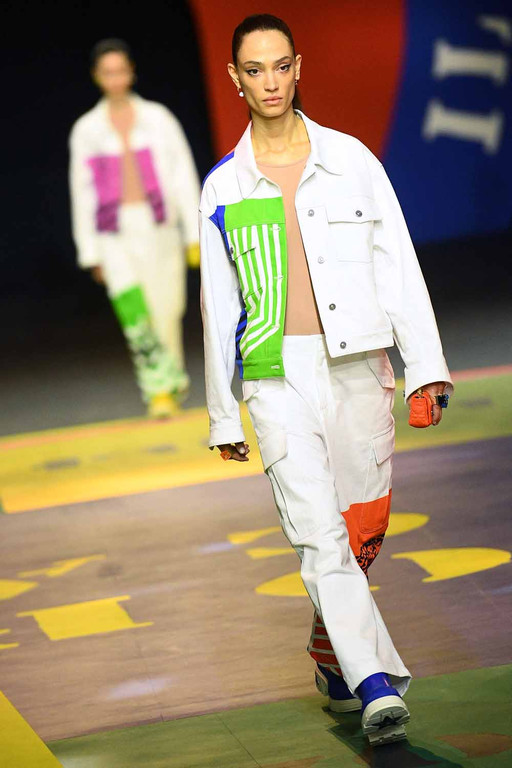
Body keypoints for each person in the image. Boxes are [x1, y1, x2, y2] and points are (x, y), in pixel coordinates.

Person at [199, 14, 453, 747]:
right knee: (318, 535)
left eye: (281, 66)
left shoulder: (351, 161)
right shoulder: (223, 187)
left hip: (359, 367)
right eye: (255, 70)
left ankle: (331, 648)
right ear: (235, 78)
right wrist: (223, 414)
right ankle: (375, 684)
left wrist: (425, 368)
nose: (270, 82)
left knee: (360, 530)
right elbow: (219, 309)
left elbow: (397, 265)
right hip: (276, 377)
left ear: (298, 67)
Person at [69, 39, 200, 418]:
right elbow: (81, 190)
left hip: (159, 224)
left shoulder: (158, 118)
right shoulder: (87, 129)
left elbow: (182, 173)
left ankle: (170, 379)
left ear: (132, 72)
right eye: (107, 72)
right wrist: (89, 251)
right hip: (113, 232)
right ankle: (158, 389)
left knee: (167, 306)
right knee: (133, 308)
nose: (115, 78)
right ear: (97, 76)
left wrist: (193, 232)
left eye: (121, 70)